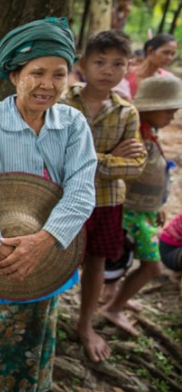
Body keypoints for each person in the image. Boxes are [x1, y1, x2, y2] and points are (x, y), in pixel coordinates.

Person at [0, 17, 97, 392]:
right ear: (15, 75)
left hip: (47, 255)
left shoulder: (73, 125)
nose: (47, 84)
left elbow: (82, 189)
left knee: (33, 345)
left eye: (59, 74)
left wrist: (42, 243)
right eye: (37, 72)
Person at [61, 29, 147, 360]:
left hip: (106, 201)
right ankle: (46, 315)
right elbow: (58, 154)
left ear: (128, 68)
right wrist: (110, 158)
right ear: (83, 64)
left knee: (96, 263)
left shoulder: (128, 112)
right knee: (55, 257)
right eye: (100, 62)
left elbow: (135, 165)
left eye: (118, 63)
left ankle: (85, 323)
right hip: (64, 198)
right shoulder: (64, 102)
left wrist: (87, 158)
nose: (108, 70)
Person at [101, 75, 182, 334]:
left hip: (142, 212)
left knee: (126, 258)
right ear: (151, 107)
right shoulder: (135, 137)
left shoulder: (151, 133)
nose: (172, 117)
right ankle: (114, 306)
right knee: (151, 266)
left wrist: (156, 207)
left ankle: (115, 295)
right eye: (168, 111)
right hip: (129, 212)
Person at [125, 33, 178, 98]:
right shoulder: (127, 73)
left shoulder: (168, 79)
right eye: (165, 52)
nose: (169, 58)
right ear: (150, 51)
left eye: (172, 54)